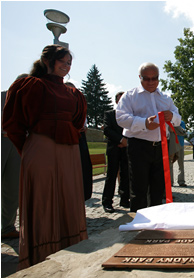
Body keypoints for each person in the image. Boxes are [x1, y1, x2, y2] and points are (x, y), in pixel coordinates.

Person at [2, 45, 88, 269]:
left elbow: (78, 123)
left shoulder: (73, 93)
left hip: (69, 151)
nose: (67, 66)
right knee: (43, 199)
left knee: (69, 197)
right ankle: (40, 257)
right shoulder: (30, 85)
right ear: (47, 61)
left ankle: (72, 253)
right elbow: (13, 123)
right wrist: (32, 148)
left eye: (69, 63)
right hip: (41, 149)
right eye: (62, 61)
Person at [116, 62, 181, 212]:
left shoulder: (165, 98)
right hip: (139, 146)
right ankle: (139, 223)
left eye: (154, 78)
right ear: (139, 77)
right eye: (146, 78)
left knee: (158, 188)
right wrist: (144, 123)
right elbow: (120, 118)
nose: (151, 82)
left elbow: (178, 118)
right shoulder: (130, 96)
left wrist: (172, 116)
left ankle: (157, 221)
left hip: (160, 147)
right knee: (139, 188)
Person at [1, 74, 27, 239]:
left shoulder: (28, 101)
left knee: (12, 187)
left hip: (16, 143)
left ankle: (7, 226)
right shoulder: (3, 96)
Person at [102, 92, 130, 213]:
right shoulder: (109, 114)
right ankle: (107, 201)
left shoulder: (130, 115)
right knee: (111, 175)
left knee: (126, 175)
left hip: (126, 148)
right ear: (116, 101)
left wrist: (126, 142)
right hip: (114, 148)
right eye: (120, 99)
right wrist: (121, 140)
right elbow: (107, 130)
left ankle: (124, 199)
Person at [65, 81, 93, 201]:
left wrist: (84, 128)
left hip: (80, 140)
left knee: (83, 170)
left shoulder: (80, 107)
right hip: (67, 141)